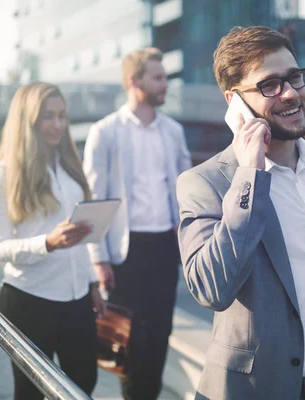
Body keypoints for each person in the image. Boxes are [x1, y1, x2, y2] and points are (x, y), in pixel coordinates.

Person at [176, 26, 305, 400]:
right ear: (234, 102)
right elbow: (212, 289)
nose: (290, 93)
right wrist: (249, 178)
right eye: (269, 85)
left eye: (294, 77)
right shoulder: (205, 182)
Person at [0, 82, 103, 400]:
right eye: (48, 116)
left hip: (77, 298)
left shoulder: (68, 167)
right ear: (28, 119)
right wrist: (46, 243)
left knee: (84, 383)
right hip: (28, 301)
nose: (58, 125)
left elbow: (79, 237)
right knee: (31, 394)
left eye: (62, 116)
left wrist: (92, 283)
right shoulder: (3, 174)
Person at [83, 47, 191, 400]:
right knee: (127, 340)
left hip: (163, 247)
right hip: (124, 252)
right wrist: (98, 259)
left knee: (160, 334)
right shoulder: (106, 132)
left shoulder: (173, 131)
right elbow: (94, 200)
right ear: (134, 81)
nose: (165, 85)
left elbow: (186, 191)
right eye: (158, 78)